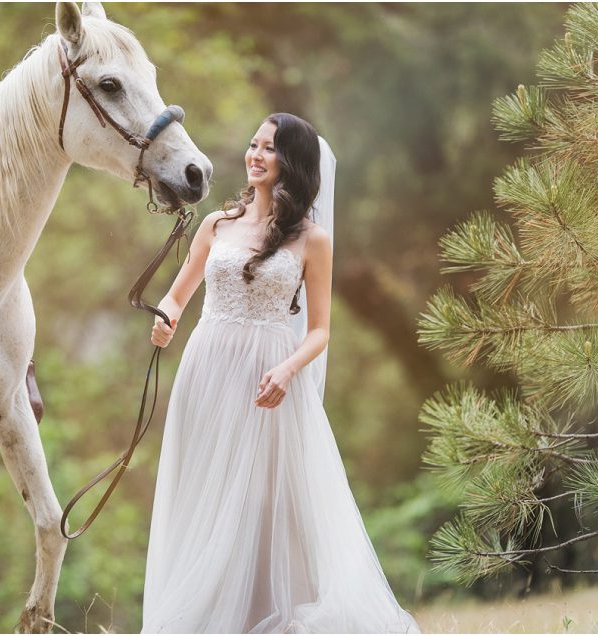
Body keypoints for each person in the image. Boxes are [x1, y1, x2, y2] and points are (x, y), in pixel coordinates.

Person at [140, 113, 421, 634]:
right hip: (208, 369)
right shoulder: (216, 224)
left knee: (269, 498)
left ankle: (267, 613)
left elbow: (319, 331)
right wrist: (167, 320)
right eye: (252, 144)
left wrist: (288, 370)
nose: (254, 155)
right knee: (206, 488)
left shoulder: (312, 240)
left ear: (290, 161)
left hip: (269, 376)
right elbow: (177, 295)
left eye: (268, 148)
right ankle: (208, 616)